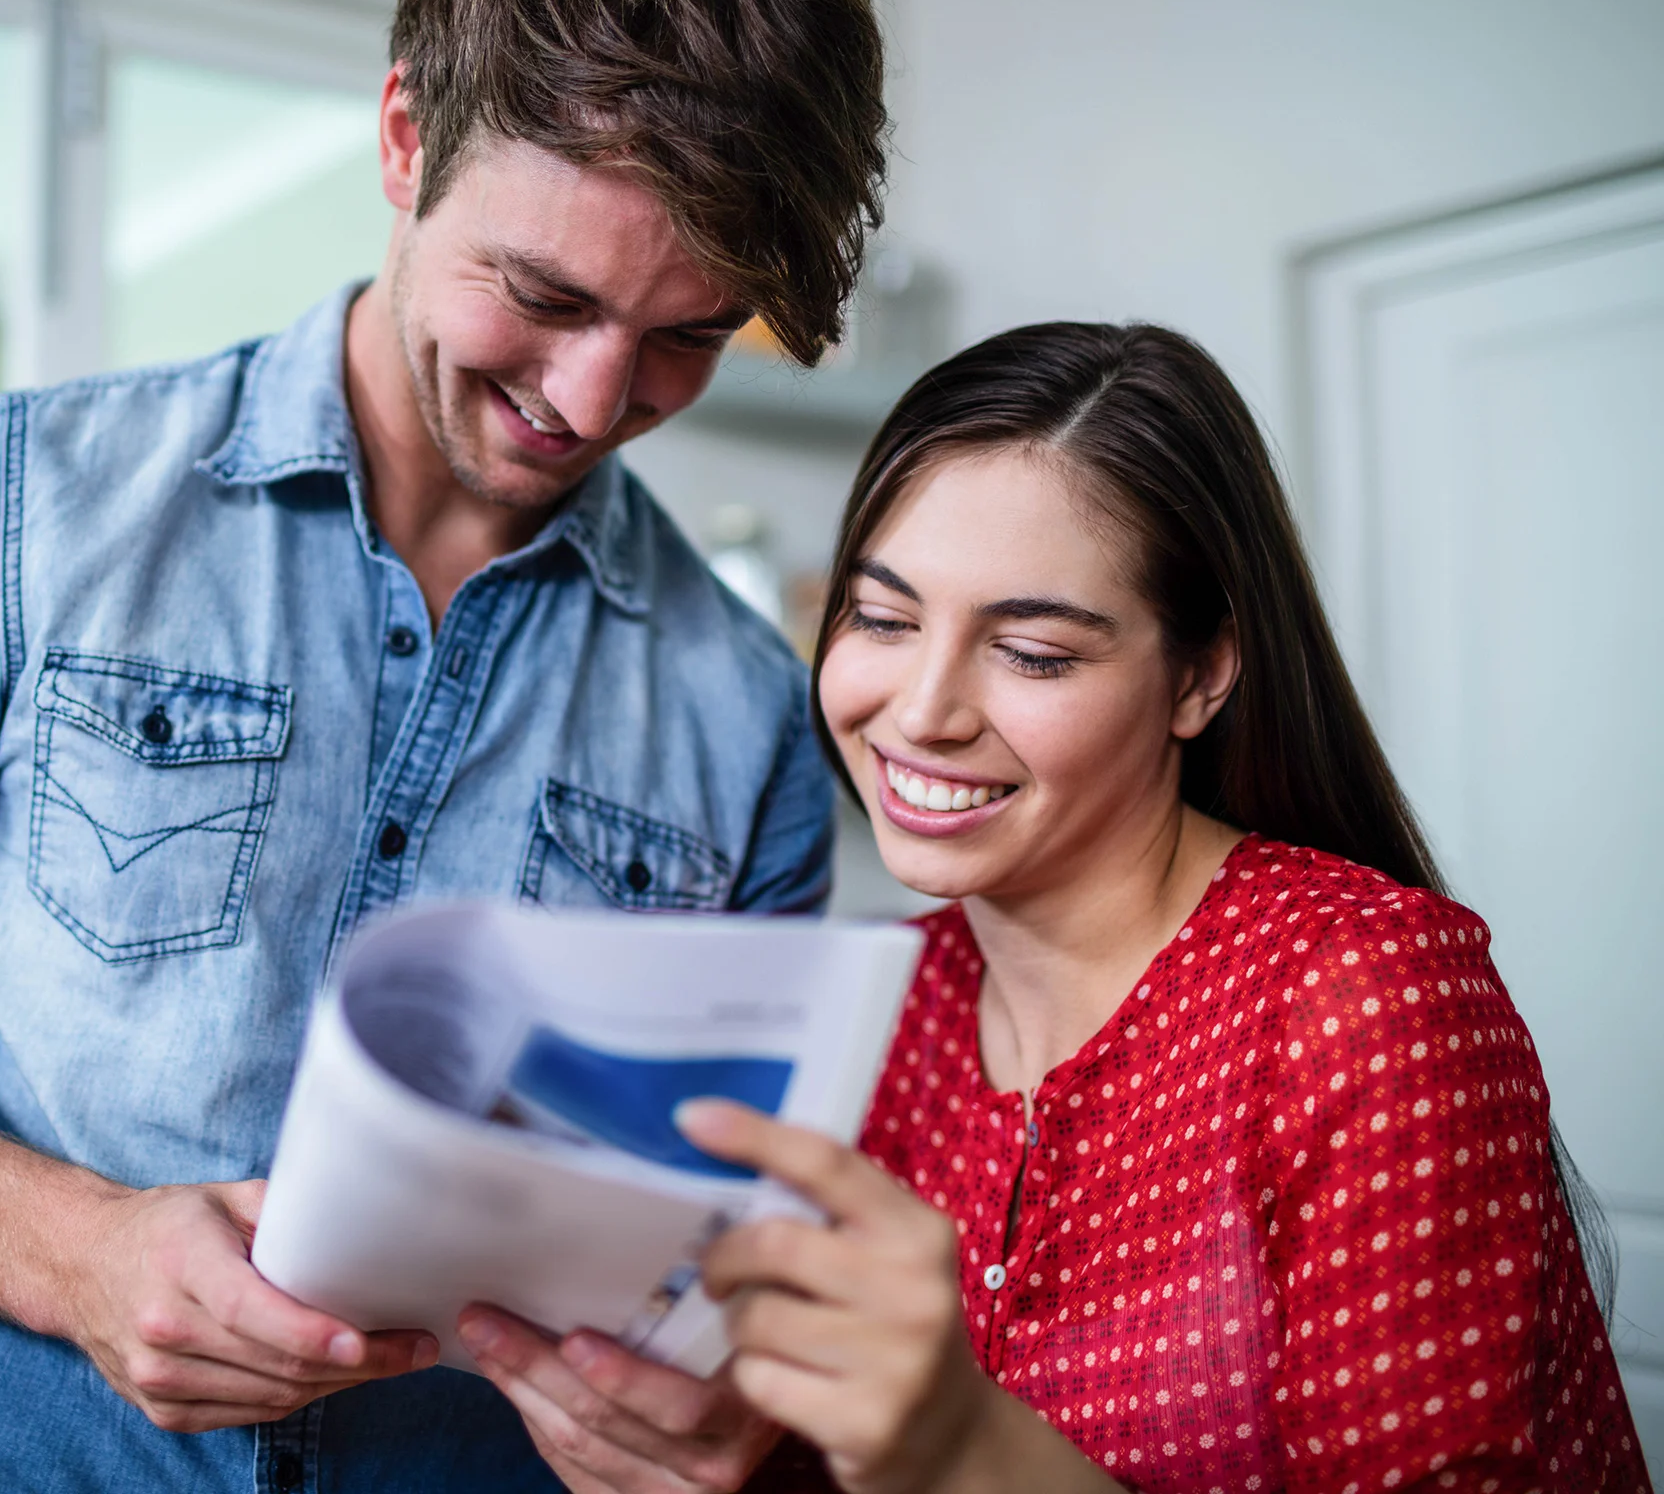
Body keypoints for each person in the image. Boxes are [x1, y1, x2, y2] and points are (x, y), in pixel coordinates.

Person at [0, 0, 887, 1488]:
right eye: (547, 298)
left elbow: (717, 1251)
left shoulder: (748, 708)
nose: (593, 400)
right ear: (406, 139)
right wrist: (72, 1251)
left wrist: (722, 1418)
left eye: (687, 337)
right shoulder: (20, 502)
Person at [457, 323, 1651, 1493]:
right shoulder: (865, 1001)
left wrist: (964, 1451)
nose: (921, 711)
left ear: (1200, 675)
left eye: (1030, 651)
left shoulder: (1359, 994)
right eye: (881, 618)